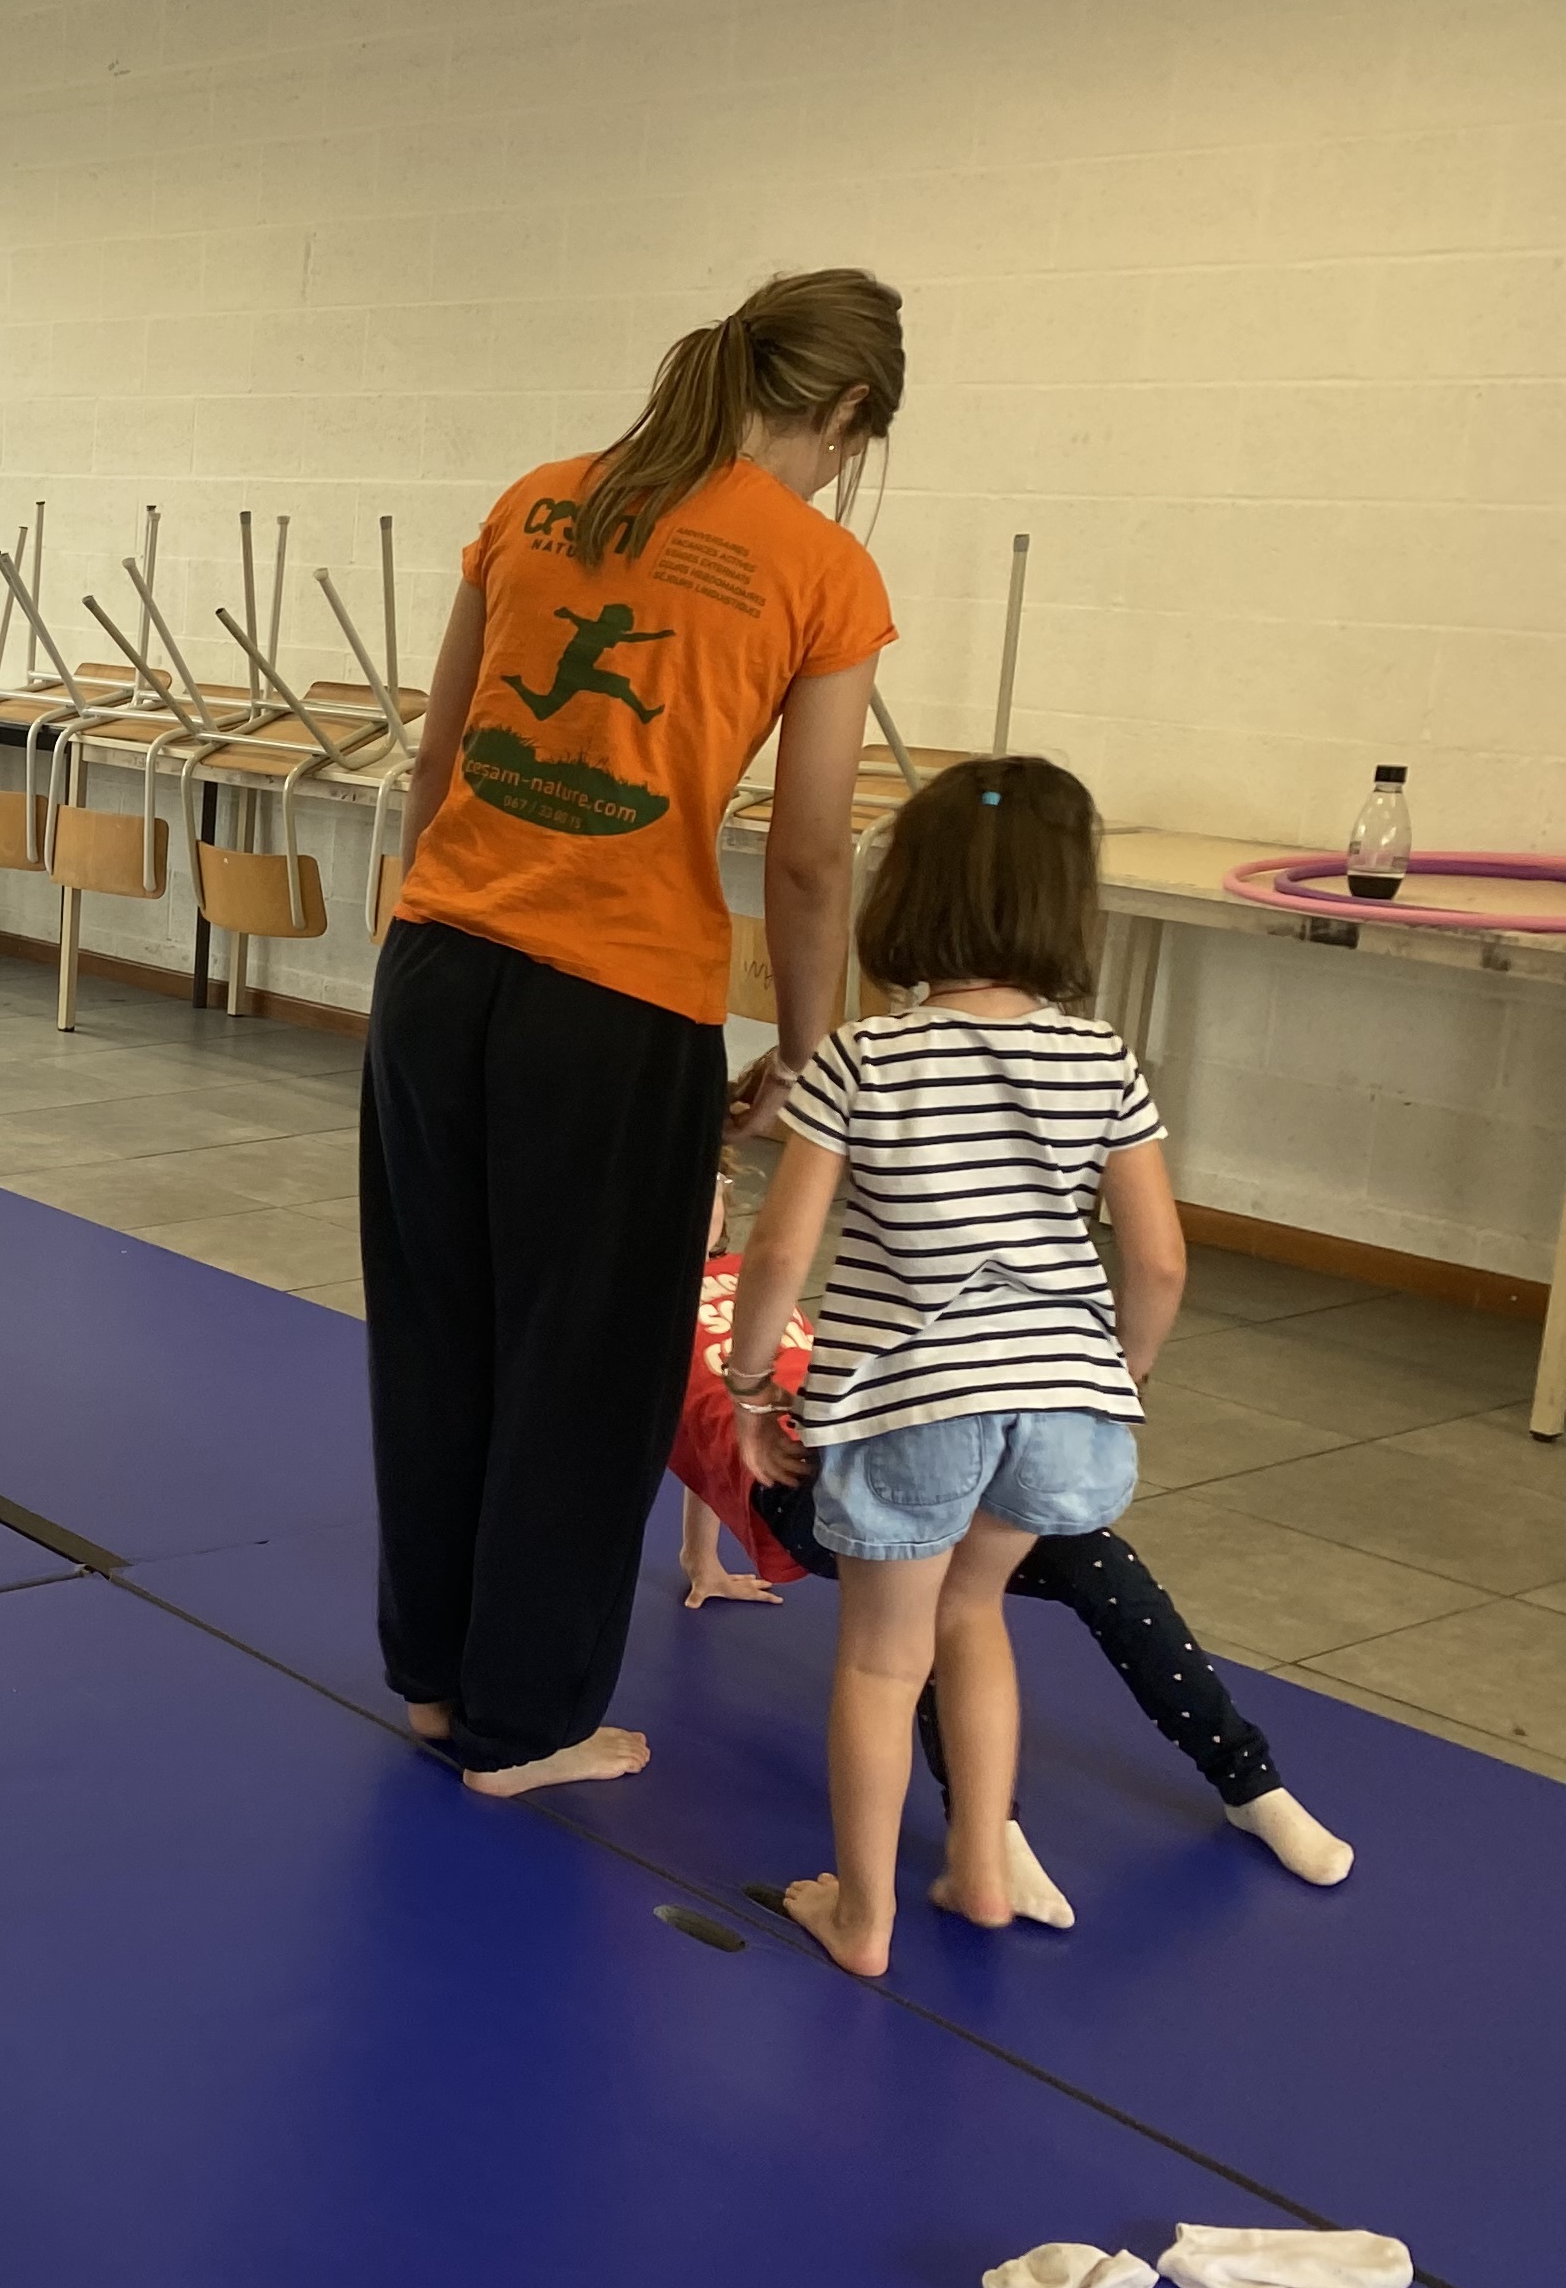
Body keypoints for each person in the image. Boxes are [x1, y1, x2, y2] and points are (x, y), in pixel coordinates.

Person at [363, 268, 905, 1796]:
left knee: (441, 1333)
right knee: (587, 1370)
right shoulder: (820, 567)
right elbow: (811, 853)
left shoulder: (539, 500)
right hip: (614, 1004)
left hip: (439, 969)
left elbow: (441, 758)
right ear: (847, 409)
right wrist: (810, 1054)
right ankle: (525, 1721)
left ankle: (435, 1680)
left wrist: (428, 938)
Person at [722, 757, 1192, 1977]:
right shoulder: (1104, 1059)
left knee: (884, 1660)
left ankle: (861, 1917)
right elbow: (1158, 1263)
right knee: (973, 1610)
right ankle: (980, 1866)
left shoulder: (866, 1059)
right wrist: (1123, 1376)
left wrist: (753, 1383)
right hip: (1063, 1404)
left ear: (909, 895)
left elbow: (780, 1249)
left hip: (916, 1400)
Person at [668, 1156, 1351, 1907]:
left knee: (1100, 1563)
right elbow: (692, 1432)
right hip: (801, 1484)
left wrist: (701, 1557)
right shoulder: (631, 1305)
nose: (698, 1205)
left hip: (888, 1434)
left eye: (710, 1187)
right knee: (931, 1593)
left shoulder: (747, 1275)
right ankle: (988, 1836)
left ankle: (1249, 1780)